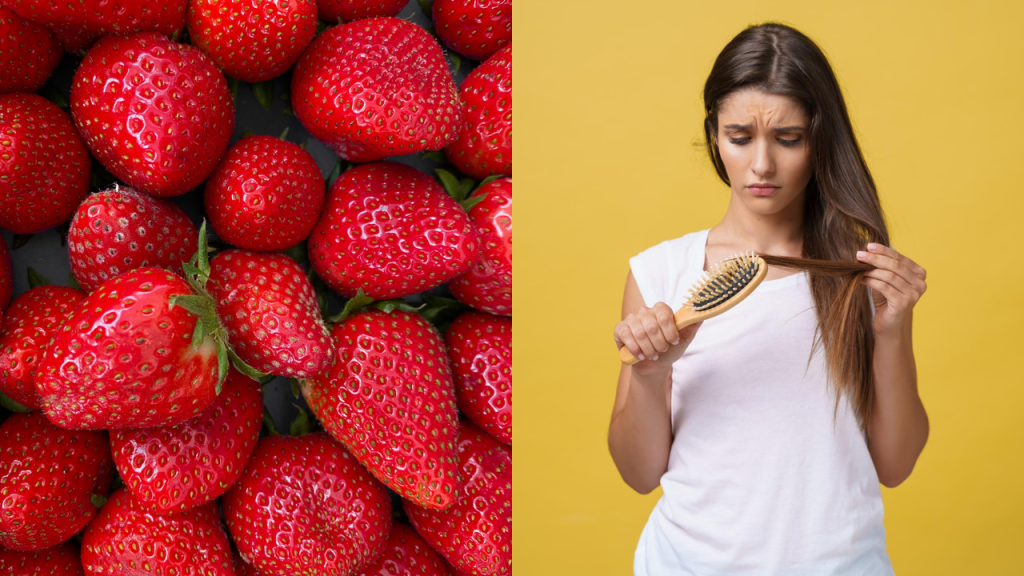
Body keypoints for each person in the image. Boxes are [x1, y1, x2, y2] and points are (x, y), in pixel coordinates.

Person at [607, 22, 930, 575]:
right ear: (713, 134)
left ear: (819, 139)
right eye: (740, 137)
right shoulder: (661, 272)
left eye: (788, 139)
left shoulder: (860, 274)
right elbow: (639, 475)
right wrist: (649, 375)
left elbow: (896, 465)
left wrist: (892, 330)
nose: (762, 165)